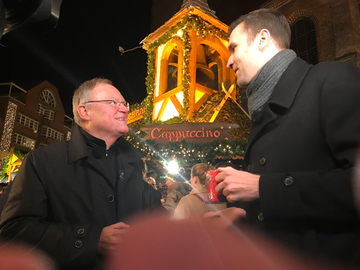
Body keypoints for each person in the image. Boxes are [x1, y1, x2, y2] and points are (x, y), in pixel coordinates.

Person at [213, 8, 360, 264]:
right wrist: (243, 217)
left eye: (233, 48)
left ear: (262, 39)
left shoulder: (332, 80)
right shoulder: (262, 108)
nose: (228, 61)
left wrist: (262, 188)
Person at [0, 78, 161, 269]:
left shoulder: (132, 166)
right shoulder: (42, 161)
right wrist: (91, 239)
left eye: (124, 103)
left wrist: (196, 225)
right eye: (112, 102)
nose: (125, 109)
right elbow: (13, 231)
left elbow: (157, 220)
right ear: (84, 111)